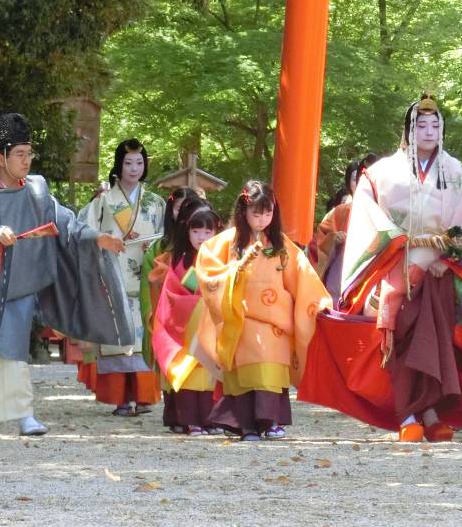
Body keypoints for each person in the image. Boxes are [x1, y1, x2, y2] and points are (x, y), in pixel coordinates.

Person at [298, 95, 462, 443]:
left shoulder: (456, 171)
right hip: (397, 263)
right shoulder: (381, 173)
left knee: (440, 337)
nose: (429, 132)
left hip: (442, 267)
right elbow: (368, 216)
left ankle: (431, 412)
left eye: (435, 125)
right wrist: (399, 245)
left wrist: (452, 256)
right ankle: (409, 413)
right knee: (398, 336)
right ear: (408, 130)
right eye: (421, 125)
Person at [0, 113, 130, 435]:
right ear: (0, 157)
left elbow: (66, 222)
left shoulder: (37, 191)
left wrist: (97, 237)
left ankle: (23, 414)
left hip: (21, 284)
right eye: (19, 154)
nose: (26, 160)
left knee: (13, 348)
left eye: (29, 153)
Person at [192, 181, 332, 441]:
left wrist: (319, 303)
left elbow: (302, 276)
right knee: (246, 376)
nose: (262, 219)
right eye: (256, 213)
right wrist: (234, 271)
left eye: (267, 213)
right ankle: (246, 425)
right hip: (241, 320)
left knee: (269, 371)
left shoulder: (281, 245)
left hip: (274, 324)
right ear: (243, 211)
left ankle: (269, 422)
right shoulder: (224, 244)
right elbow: (209, 273)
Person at [78, 139, 166, 416]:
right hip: (112, 271)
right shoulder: (103, 200)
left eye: (139, 162)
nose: (134, 168)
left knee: (144, 331)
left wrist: (153, 248)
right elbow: (85, 231)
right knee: (117, 334)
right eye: (128, 162)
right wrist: (102, 242)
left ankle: (143, 396)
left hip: (144, 273)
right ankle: (119, 398)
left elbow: (165, 239)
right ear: (119, 164)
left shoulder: (155, 202)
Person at [151, 199, 222, 434]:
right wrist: (203, 301)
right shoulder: (182, 261)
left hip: (212, 329)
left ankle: (211, 419)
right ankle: (189, 419)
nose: (201, 237)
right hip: (187, 329)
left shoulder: (221, 261)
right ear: (187, 232)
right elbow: (175, 295)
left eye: (207, 231)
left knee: (211, 375)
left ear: (216, 232)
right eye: (196, 231)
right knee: (190, 375)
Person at [141, 187, 203, 426]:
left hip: (200, 313)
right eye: (179, 209)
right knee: (174, 358)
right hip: (169, 311)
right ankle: (175, 413)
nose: (185, 215)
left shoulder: (208, 244)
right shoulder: (161, 247)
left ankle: (199, 414)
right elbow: (151, 280)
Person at [307, 154, 379, 306]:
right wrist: (333, 239)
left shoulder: (388, 214)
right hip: (340, 281)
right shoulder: (339, 213)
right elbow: (316, 246)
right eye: (358, 179)